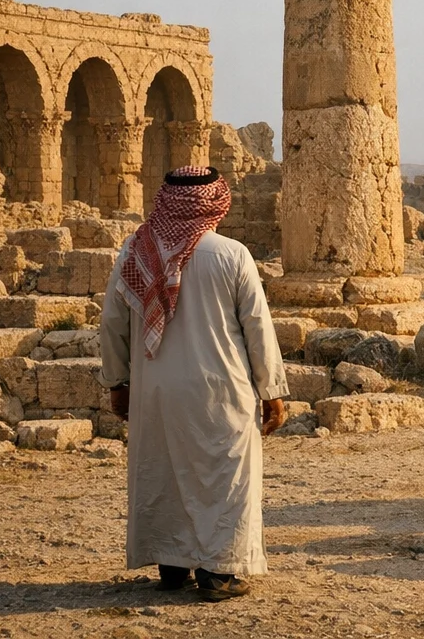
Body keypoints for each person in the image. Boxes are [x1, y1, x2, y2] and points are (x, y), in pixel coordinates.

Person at [98, 166, 288, 602]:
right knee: (220, 477)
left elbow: (113, 323)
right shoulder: (232, 253)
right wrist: (271, 390)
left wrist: (117, 382)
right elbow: (257, 327)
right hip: (221, 389)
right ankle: (218, 573)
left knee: (165, 472)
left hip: (156, 390)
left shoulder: (136, 252)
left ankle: (172, 564)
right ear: (216, 203)